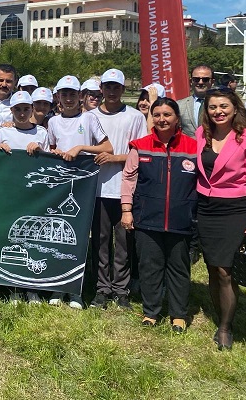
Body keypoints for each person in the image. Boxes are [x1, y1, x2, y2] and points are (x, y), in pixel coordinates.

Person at [195, 87, 246, 350]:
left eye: (223, 106)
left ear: (235, 107)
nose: (218, 111)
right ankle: (219, 314)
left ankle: (225, 326)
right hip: (206, 208)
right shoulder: (202, 133)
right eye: (213, 107)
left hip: (235, 209)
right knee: (213, 267)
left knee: (226, 270)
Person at [121, 97, 197, 332]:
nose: (162, 119)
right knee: (149, 267)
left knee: (179, 268)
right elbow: (128, 179)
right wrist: (126, 210)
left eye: (167, 115)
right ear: (152, 117)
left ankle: (178, 314)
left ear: (177, 118)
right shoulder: (140, 145)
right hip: (147, 218)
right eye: (157, 115)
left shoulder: (193, 147)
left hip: (181, 219)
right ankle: (151, 311)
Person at [47, 75, 113, 309]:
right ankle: (58, 287)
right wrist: (57, 153)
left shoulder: (90, 118)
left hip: (85, 186)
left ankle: (75, 289)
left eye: (72, 94)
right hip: (61, 185)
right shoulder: (53, 122)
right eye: (64, 94)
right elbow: (52, 148)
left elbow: (107, 147)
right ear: (58, 97)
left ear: (80, 96)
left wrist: (81, 148)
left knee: (80, 238)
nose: (68, 98)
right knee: (59, 237)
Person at [90, 69, 147, 310]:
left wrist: (114, 158)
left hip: (125, 190)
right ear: (101, 89)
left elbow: (140, 153)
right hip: (97, 189)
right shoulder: (90, 116)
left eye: (117, 87)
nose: (112, 92)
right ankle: (102, 287)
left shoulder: (134, 117)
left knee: (124, 242)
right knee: (101, 242)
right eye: (108, 87)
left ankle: (121, 289)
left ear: (123, 90)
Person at [0, 90, 49, 304]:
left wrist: (40, 149)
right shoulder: (3, 131)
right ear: (11, 110)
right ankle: (13, 286)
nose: (22, 113)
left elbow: (50, 160)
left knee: (32, 241)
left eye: (26, 109)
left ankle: (31, 287)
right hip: (10, 194)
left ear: (32, 109)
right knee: (12, 240)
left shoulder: (42, 133)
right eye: (17, 109)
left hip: (34, 196)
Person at [178, 65, 213, 138]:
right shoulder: (179, 105)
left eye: (205, 79)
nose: (200, 82)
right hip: (188, 147)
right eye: (196, 79)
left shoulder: (221, 105)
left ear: (212, 81)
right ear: (191, 81)